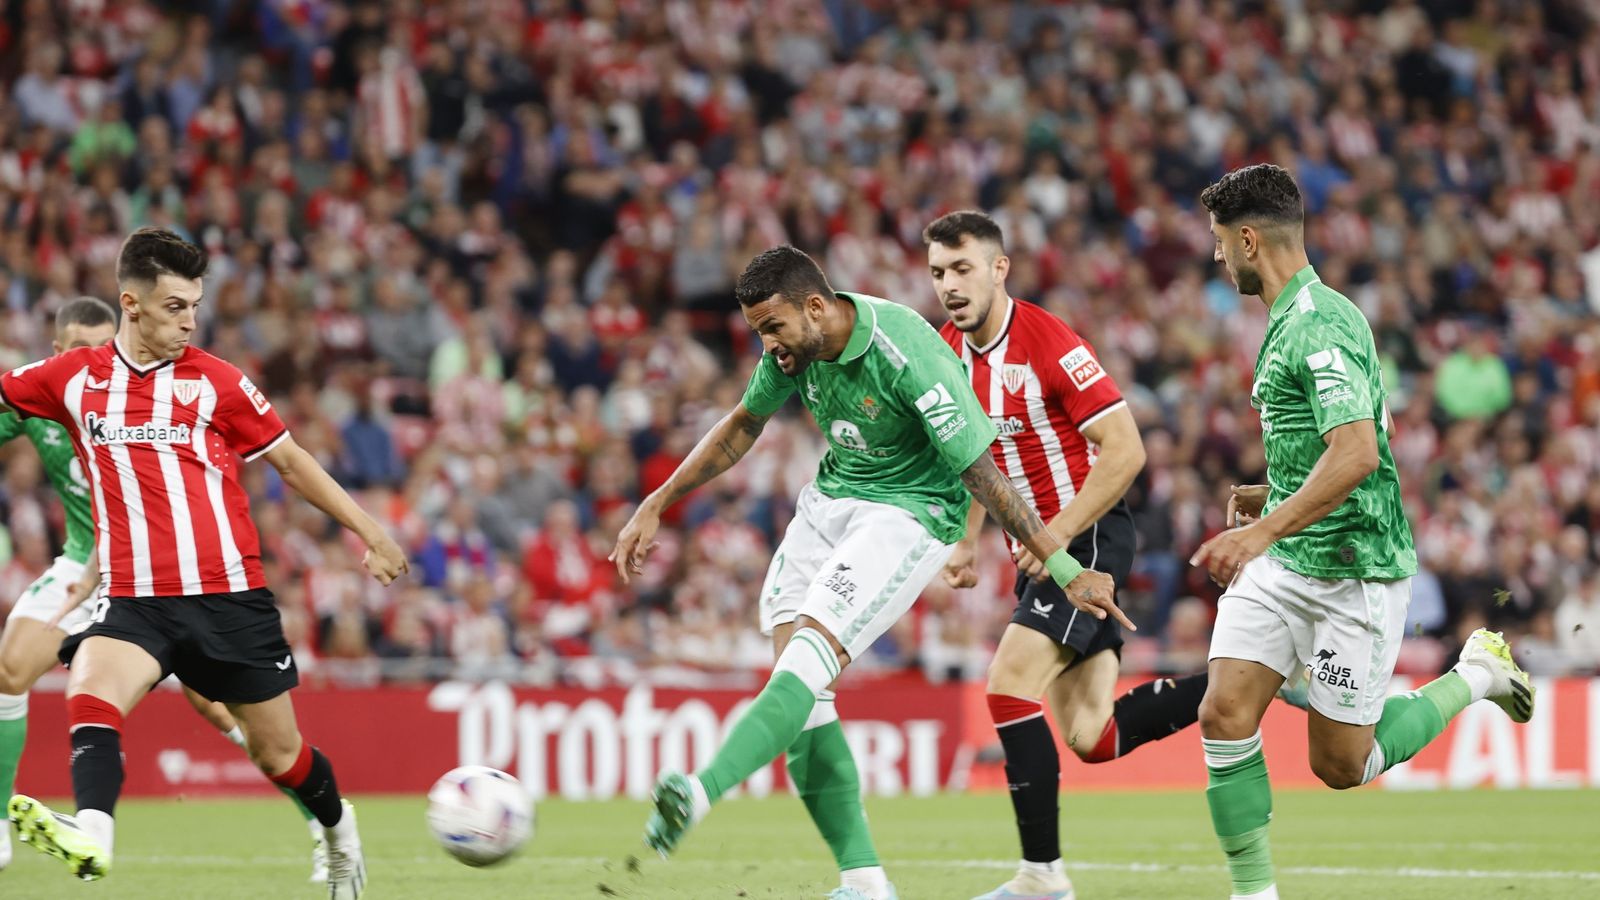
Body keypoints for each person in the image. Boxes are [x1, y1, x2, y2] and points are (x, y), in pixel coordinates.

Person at [611, 246, 1131, 900]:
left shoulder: (905, 352)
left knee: (806, 663)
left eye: (773, 327)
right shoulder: (791, 353)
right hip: (831, 500)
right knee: (800, 694)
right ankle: (863, 881)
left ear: (817, 307)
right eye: (758, 332)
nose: (768, 345)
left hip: (909, 514)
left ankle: (701, 789)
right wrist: (657, 502)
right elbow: (744, 423)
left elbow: (982, 474)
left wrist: (1061, 565)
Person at [0, 228, 407, 900]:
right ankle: (94, 834)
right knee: (90, 692)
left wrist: (370, 531)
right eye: (174, 307)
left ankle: (339, 829)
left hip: (227, 600)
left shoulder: (216, 381)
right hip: (137, 600)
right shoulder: (73, 378)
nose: (190, 320)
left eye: (194, 305)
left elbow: (291, 461)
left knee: (279, 754)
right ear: (130, 304)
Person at [1189, 165, 1533, 900]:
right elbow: (1348, 434)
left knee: (1342, 766)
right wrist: (1272, 496)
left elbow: (1357, 453)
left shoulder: (1319, 321)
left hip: (1357, 571)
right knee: (1221, 711)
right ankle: (1255, 894)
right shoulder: (1289, 318)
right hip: (1289, 560)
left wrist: (1260, 530)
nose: (1218, 256)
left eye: (1222, 242)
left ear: (1250, 239)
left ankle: (1478, 673)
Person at [925, 211, 1208, 900]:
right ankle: (1252, 675)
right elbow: (973, 458)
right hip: (1048, 546)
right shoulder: (946, 352)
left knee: (1007, 683)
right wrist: (966, 539)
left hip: (1089, 536)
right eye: (937, 273)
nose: (949, 286)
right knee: (1091, 733)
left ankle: (1041, 878)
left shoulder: (1049, 341)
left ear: (1000, 269)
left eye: (963, 269)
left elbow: (1128, 451)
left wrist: (1051, 538)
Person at [0, 297, 325, 880]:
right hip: (84, 561)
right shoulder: (41, 397)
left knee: (235, 718)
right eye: (79, 348)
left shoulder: (143, 393)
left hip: (156, 569)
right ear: (56, 351)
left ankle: (318, 818)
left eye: (102, 345)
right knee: (8, 671)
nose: (93, 359)